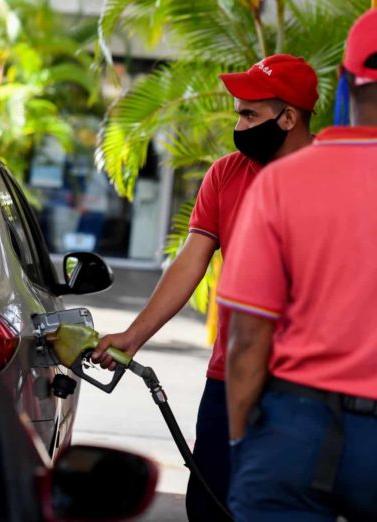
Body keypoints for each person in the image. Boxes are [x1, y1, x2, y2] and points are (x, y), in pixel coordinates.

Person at [92, 54, 319, 520]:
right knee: (210, 506)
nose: (239, 124)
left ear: (289, 117)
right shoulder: (226, 174)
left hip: (307, 385)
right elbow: (190, 261)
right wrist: (132, 337)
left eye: (250, 114)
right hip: (230, 376)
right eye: (239, 112)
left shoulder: (331, 177)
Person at [219, 9, 377, 520]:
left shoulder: (284, 182)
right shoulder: (241, 174)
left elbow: (248, 337)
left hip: (295, 432)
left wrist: (244, 441)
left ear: (347, 85)